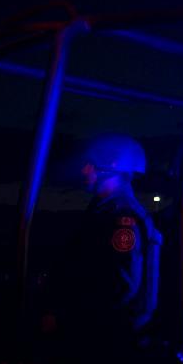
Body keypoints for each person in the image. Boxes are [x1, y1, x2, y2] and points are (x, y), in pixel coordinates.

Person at [57, 133, 162, 348]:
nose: (85, 170)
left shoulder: (122, 217)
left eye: (91, 165)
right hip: (100, 331)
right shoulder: (104, 210)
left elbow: (121, 286)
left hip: (106, 337)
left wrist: (73, 315)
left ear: (111, 167)